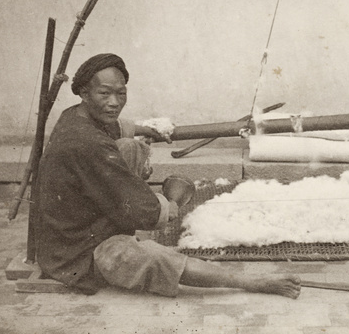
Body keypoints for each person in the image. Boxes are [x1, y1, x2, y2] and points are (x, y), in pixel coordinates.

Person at [36, 53, 301, 299]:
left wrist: (145, 130)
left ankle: (130, 219)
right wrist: (168, 207)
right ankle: (252, 283)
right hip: (77, 251)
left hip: (83, 219)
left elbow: (112, 129)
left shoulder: (74, 116)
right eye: (104, 94)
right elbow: (139, 202)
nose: (114, 103)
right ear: (84, 92)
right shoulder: (88, 144)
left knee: (129, 146)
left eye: (120, 93)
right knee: (151, 257)